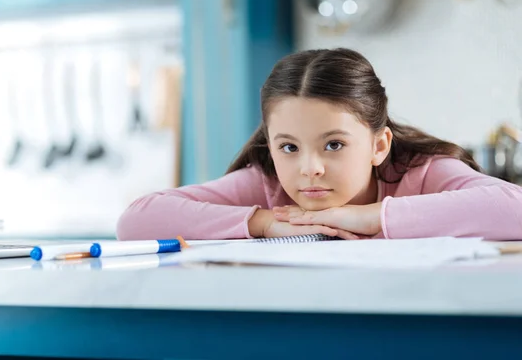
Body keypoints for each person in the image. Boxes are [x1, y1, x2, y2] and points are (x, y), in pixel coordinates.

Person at [117, 48, 522, 241]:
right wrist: (266, 223)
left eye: (333, 145)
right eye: (289, 147)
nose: (309, 167)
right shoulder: (268, 185)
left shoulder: (421, 172)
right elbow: (135, 222)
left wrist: (369, 217)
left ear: (379, 145)